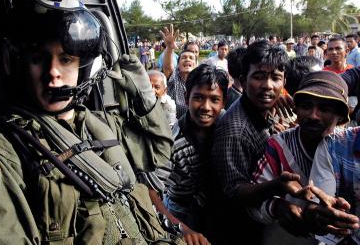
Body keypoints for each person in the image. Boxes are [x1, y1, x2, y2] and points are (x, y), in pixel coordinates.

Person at [0, 0, 183, 244]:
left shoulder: (99, 123)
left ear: (84, 68)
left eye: (66, 59)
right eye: (38, 58)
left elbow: (158, 151)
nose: (53, 72)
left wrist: (144, 97)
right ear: (18, 65)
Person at [251, 71, 358, 244]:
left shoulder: (348, 148)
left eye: (324, 109)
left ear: (340, 116)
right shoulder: (278, 146)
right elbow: (253, 200)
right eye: (306, 106)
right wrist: (276, 207)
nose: (313, 115)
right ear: (296, 109)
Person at [211, 40, 289, 244]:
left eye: (275, 78)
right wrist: (277, 185)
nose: (268, 85)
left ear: (284, 82)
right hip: (238, 230)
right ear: (243, 81)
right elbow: (234, 191)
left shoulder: (262, 109)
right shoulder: (235, 130)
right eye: (259, 77)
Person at [149, 64, 228, 245]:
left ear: (224, 102)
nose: (206, 107)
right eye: (198, 98)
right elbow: (152, 193)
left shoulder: (227, 122)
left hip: (216, 207)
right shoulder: (171, 142)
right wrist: (182, 229)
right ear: (186, 97)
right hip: (181, 211)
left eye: (214, 100)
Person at [160, 25, 197, 119]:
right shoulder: (174, 77)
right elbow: (167, 67)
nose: (187, 59)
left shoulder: (201, 80)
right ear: (178, 64)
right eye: (183, 58)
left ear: (196, 64)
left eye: (191, 58)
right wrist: (169, 47)